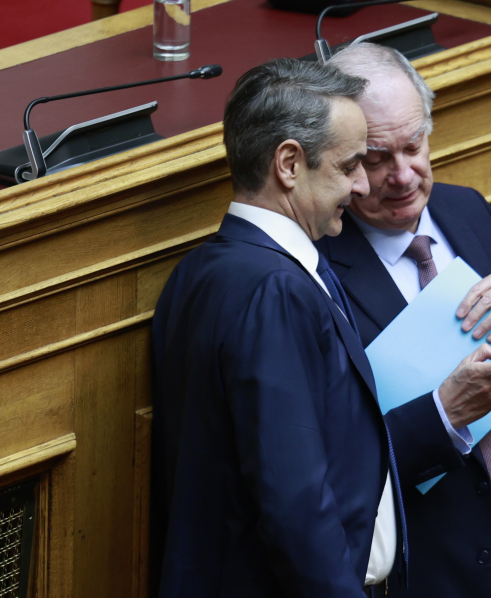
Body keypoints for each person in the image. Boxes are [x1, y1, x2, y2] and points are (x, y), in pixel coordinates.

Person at [319, 44, 491, 598]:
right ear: (340, 160)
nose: (403, 175)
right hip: (433, 580)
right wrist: (445, 415)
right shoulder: (318, 274)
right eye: (376, 158)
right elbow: (335, 468)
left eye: (414, 145)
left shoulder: (465, 210)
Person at [151, 59, 395, 597]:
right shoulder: (276, 290)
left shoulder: (198, 270)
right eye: (350, 165)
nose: (362, 185)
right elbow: (296, 503)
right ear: (289, 163)